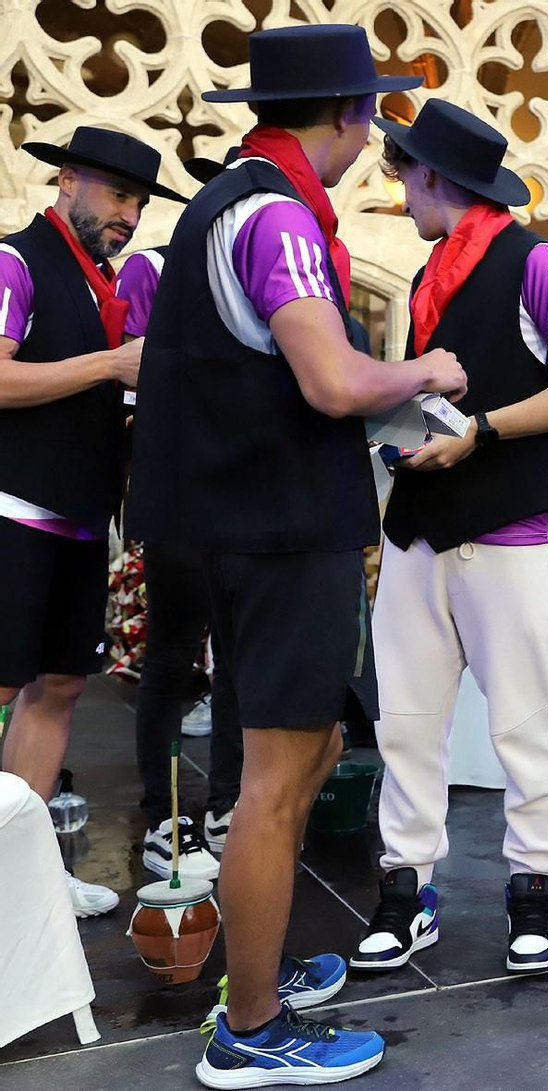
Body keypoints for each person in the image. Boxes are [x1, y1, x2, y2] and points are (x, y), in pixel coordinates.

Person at [125, 25, 468, 1087]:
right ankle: (252, 1024)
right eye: (368, 113)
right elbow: (327, 380)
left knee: (308, 750)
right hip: (278, 533)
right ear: (346, 115)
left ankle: (263, 966)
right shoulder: (278, 217)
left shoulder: (229, 203)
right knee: (277, 784)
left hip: (235, 524)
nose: (371, 137)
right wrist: (424, 372)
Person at [352, 99, 548, 978]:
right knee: (408, 725)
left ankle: (532, 892)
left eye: (405, 172)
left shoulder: (536, 259)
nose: (397, 187)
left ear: (439, 177)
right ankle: (406, 891)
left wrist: (485, 430)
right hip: (420, 532)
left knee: (527, 728)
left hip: (514, 531)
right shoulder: (433, 274)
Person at [0, 126, 186, 918]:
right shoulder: (15, 259)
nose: (130, 215)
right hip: (13, 509)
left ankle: (21, 876)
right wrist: (114, 364)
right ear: (68, 180)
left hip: (79, 517)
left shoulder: (102, 283)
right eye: (118, 194)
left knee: (62, 686)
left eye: (139, 203)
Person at [121, 154, 243, 881]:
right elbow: (138, 377)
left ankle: (228, 800)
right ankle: (161, 806)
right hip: (176, 488)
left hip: (243, 491)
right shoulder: (151, 271)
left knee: (234, 657)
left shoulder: (263, 275)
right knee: (171, 654)